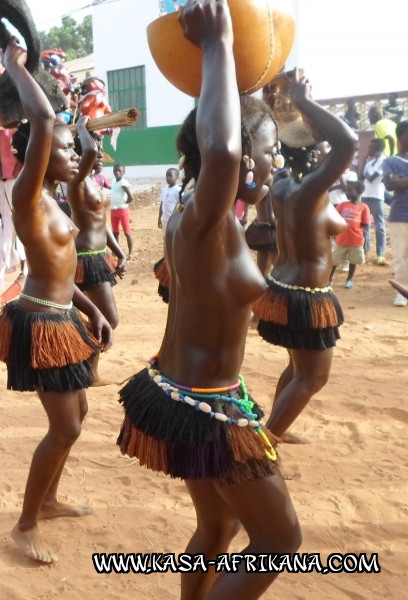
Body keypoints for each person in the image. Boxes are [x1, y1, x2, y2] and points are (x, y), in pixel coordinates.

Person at [117, 3, 300, 598]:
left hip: (181, 393)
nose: (277, 163)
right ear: (243, 156)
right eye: (270, 151)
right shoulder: (205, 216)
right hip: (203, 406)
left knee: (218, 524)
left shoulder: (206, 216)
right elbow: (220, 150)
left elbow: (223, 153)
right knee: (279, 542)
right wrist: (219, 43)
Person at [0, 39, 112, 564]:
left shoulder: (57, 200)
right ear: (36, 155)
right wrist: (16, 67)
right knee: (65, 426)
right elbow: (40, 120)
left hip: (64, 316)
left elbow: (60, 271)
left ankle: (52, 499)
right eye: (61, 150)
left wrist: (92, 309)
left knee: (76, 413)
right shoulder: (27, 196)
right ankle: (25, 523)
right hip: (40, 323)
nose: (71, 157)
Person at [253, 72, 357, 443]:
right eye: (322, 149)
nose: (329, 154)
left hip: (284, 287)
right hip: (306, 294)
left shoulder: (284, 184)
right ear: (314, 153)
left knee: (299, 367)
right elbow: (347, 140)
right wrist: (303, 99)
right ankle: (267, 439)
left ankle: (275, 426)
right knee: (314, 376)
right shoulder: (310, 188)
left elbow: (330, 143)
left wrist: (292, 108)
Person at [69, 119, 125, 385]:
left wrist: (119, 252)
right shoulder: (76, 180)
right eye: (97, 147)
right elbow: (90, 152)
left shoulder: (93, 182)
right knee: (109, 318)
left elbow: (102, 223)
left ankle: (86, 367)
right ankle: (87, 369)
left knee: (102, 317)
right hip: (85, 258)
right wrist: (81, 126)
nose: (101, 153)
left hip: (99, 255)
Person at [382, 119, 408, 307]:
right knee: (401, 256)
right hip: (401, 215)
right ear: (401, 138)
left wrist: (402, 180)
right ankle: (403, 291)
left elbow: (398, 183)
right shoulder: (390, 161)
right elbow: (390, 184)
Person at [329, 179, 369, 289]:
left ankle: (349, 279)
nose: (347, 193)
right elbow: (334, 219)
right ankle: (329, 279)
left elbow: (364, 225)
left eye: (350, 191)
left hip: (356, 241)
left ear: (359, 192)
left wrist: (364, 242)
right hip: (341, 240)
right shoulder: (341, 205)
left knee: (353, 261)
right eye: (347, 190)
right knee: (334, 261)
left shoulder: (364, 207)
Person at [360, 138, 388, 265]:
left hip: (377, 197)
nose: (368, 150)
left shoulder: (384, 161)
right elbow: (360, 177)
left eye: (370, 148)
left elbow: (370, 178)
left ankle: (380, 254)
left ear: (378, 149)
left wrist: (364, 168)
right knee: (365, 225)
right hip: (365, 196)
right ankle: (365, 251)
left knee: (379, 226)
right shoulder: (369, 163)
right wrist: (364, 162)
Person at [110, 164, 134, 255]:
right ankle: (115, 252)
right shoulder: (113, 181)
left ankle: (130, 253)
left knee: (127, 232)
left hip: (123, 210)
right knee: (115, 232)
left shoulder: (124, 183)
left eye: (119, 171)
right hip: (113, 210)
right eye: (115, 170)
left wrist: (125, 203)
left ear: (123, 172)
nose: (117, 172)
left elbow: (131, 197)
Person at [157, 167, 180, 232]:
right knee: (165, 237)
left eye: (170, 175)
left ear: (176, 177)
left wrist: (177, 217)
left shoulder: (178, 190)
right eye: (166, 175)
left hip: (174, 220)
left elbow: (182, 204)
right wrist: (159, 218)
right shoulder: (164, 190)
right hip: (164, 219)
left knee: (173, 237)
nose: (167, 177)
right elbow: (162, 204)